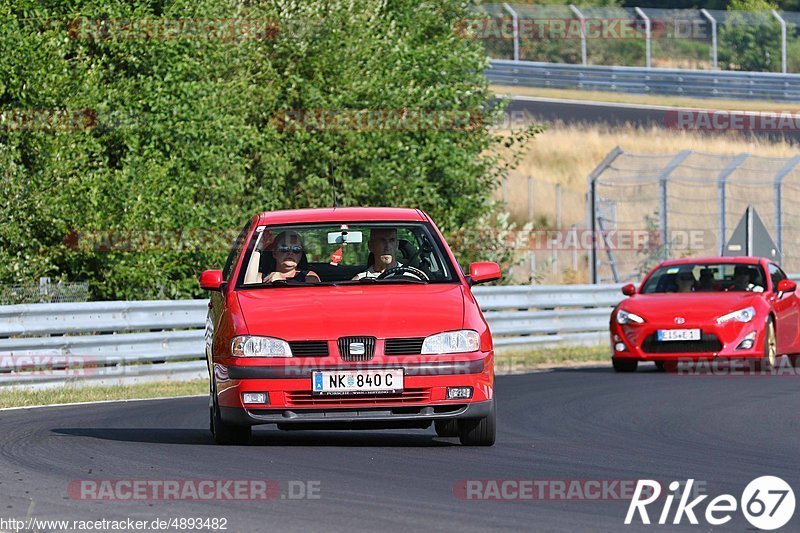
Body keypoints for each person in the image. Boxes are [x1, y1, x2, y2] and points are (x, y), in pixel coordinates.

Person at [244, 230, 320, 284]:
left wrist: (279, 282)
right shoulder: (261, 277)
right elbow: (247, 290)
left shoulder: (309, 277)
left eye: (296, 249)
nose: (290, 253)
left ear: (301, 255)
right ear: (274, 253)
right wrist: (258, 249)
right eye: (284, 248)